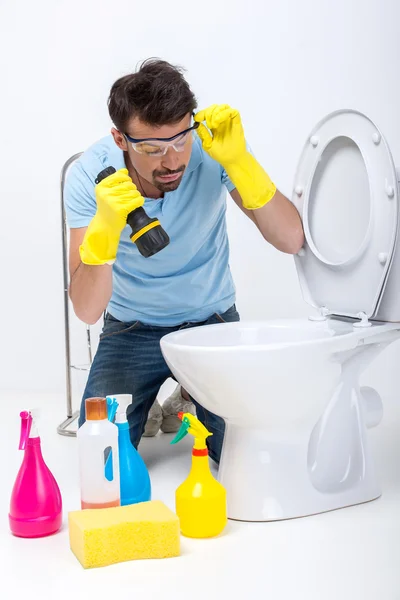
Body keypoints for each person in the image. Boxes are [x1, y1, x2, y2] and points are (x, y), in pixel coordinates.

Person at [64, 58, 304, 463]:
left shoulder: (210, 150)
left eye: (179, 140)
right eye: (153, 148)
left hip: (212, 321)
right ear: (121, 140)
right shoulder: (90, 173)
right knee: (98, 460)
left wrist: (241, 161)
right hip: (132, 327)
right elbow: (87, 311)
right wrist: (105, 230)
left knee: (245, 457)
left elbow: (292, 239)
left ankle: (187, 394)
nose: (172, 160)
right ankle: (156, 393)